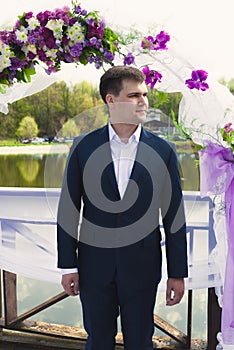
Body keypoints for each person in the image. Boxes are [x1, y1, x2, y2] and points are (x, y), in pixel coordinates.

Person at [57, 65, 188, 350]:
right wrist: (68, 264)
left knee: (141, 342)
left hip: (143, 266)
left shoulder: (164, 150)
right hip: (93, 266)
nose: (143, 101)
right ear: (111, 100)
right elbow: (68, 209)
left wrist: (177, 272)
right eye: (134, 95)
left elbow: (174, 215)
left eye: (145, 95)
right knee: (98, 341)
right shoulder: (83, 147)